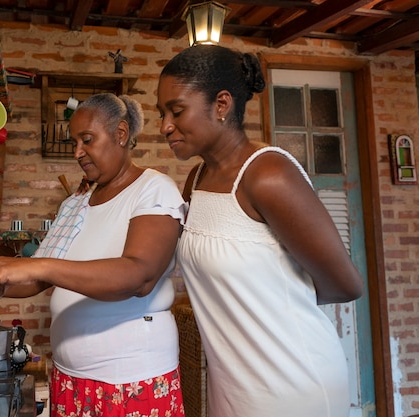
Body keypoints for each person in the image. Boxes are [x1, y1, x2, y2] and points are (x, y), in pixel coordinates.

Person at [156, 45, 364, 417]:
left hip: (292, 383)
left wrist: (277, 299)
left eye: (176, 111)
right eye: (162, 113)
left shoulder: (269, 175)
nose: (164, 126)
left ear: (221, 105)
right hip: (232, 387)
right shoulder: (196, 180)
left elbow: (346, 284)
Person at [0, 93, 187, 417]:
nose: (78, 152)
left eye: (88, 140)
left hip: (130, 380)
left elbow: (139, 276)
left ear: (121, 134)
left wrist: (38, 266)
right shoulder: (75, 204)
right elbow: (37, 278)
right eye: (75, 141)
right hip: (70, 378)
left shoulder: (153, 189)